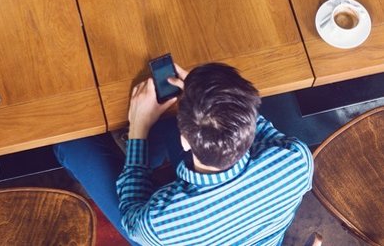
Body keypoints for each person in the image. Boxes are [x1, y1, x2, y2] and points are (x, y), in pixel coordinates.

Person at [54, 63, 313, 245]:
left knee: (72, 146)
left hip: (169, 236)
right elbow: (262, 127)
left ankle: (139, 148)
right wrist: (217, 96)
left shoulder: (156, 225)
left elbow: (132, 216)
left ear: (184, 141)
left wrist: (139, 128)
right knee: (167, 123)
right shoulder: (297, 162)